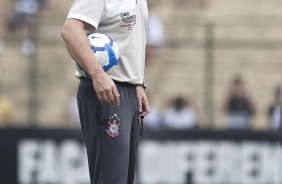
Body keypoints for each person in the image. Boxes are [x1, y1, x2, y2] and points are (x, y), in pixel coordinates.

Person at [61, 0, 149, 183]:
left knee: (122, 178)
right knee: (110, 179)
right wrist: (97, 74)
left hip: (128, 89)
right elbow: (70, 31)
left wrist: (138, 83)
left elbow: (131, 39)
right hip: (106, 92)